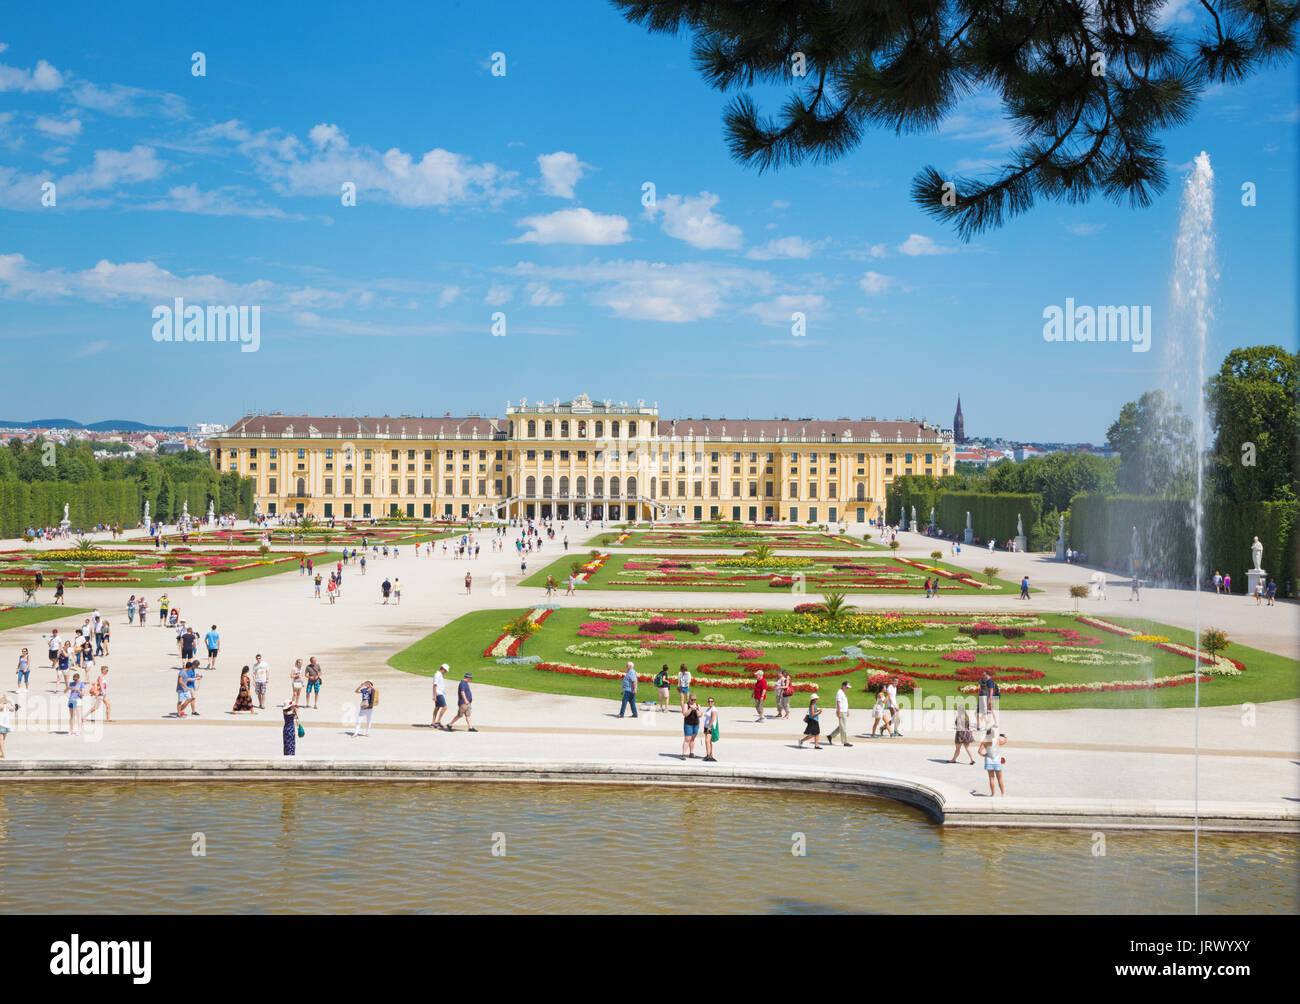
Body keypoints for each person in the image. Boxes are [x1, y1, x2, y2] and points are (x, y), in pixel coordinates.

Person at [979, 728, 1007, 796]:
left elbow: (979, 752)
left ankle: (993, 794)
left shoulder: (985, 742)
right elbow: (1004, 742)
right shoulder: (997, 740)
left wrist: (984, 755)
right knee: (1000, 778)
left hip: (989, 761)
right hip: (997, 761)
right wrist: (1005, 737)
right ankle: (1003, 794)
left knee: (991, 778)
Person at [825, 681, 853, 746]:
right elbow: (838, 703)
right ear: (843, 686)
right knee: (843, 727)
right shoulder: (839, 693)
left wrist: (847, 710)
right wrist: (839, 712)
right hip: (841, 712)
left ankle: (830, 736)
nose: (847, 688)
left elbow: (845, 703)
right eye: (847, 687)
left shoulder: (842, 692)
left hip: (844, 711)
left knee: (841, 726)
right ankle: (845, 742)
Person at [431, 663, 449, 729]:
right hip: (439, 694)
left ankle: (433, 722)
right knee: (445, 707)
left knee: (437, 707)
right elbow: (434, 685)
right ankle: (438, 721)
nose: (446, 672)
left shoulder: (439, 675)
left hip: (440, 693)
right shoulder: (437, 675)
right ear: (443, 669)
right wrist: (434, 695)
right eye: (446, 671)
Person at [701, 696, 719, 761]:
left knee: (707, 741)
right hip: (706, 727)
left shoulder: (713, 709)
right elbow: (707, 719)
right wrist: (705, 728)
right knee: (708, 741)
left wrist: (709, 727)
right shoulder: (708, 709)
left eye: (711, 701)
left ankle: (708, 755)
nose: (710, 702)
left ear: (713, 702)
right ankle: (709, 754)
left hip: (710, 727)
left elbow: (713, 718)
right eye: (709, 701)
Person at [0, 692, 13, 757]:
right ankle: (1, 753)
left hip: (0, 724)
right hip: (6, 724)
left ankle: (2, 753)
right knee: (3, 739)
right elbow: (13, 709)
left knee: (1, 739)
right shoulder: (7, 705)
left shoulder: (0, 705)